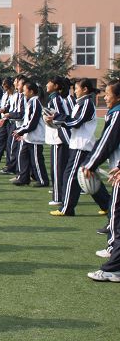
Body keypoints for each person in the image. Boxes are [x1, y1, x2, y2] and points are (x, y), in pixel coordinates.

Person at [46, 79, 110, 216]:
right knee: (88, 175)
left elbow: (76, 122)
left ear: (85, 89)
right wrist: (56, 119)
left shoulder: (87, 103)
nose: (75, 91)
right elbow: (72, 120)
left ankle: (67, 209)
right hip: (79, 145)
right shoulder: (80, 103)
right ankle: (107, 205)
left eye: (76, 88)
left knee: (70, 177)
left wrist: (57, 117)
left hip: (82, 146)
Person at [81, 80, 120, 258]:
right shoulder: (114, 113)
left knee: (116, 212)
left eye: (108, 94)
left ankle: (114, 251)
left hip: (118, 173)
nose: (104, 97)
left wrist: (91, 164)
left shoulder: (117, 114)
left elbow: (107, 142)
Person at [11, 81, 49, 187]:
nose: (23, 92)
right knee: (23, 157)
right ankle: (24, 178)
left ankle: (43, 180)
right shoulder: (30, 102)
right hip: (28, 136)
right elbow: (27, 121)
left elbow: (33, 123)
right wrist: (21, 131)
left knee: (36, 160)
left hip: (35, 137)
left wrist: (21, 131)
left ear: (31, 91)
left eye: (25, 90)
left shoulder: (35, 102)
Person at [45, 76, 71, 207]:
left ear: (55, 86)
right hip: (58, 138)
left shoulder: (55, 99)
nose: (46, 85)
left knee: (57, 170)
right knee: (60, 169)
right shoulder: (55, 98)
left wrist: (51, 120)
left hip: (59, 139)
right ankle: (60, 193)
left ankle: (58, 197)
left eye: (49, 82)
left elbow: (61, 117)